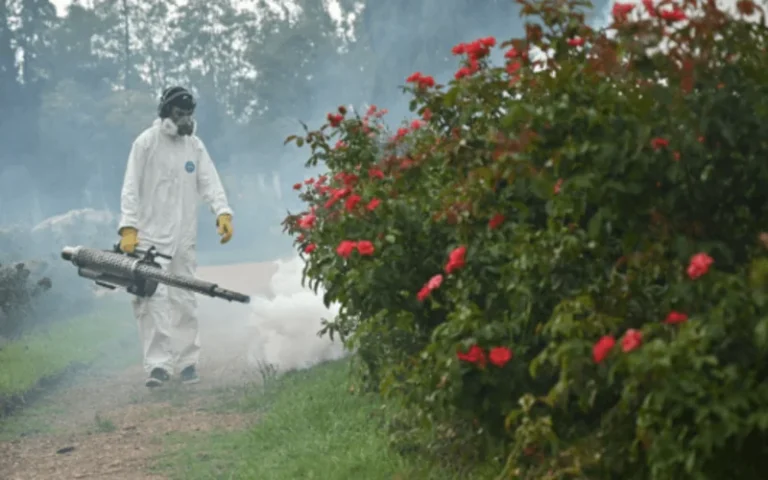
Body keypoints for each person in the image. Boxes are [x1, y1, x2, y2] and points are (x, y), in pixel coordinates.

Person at [117, 86, 234, 388]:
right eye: (180, 114)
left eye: (189, 114)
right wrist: (128, 227)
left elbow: (209, 181)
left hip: (183, 237)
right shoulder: (146, 143)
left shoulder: (194, 146)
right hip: (149, 239)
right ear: (166, 113)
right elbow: (130, 187)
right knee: (151, 300)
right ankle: (158, 366)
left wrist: (222, 211)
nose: (185, 120)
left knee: (184, 297)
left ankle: (187, 363)